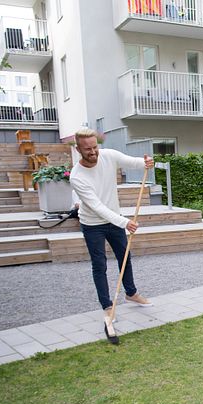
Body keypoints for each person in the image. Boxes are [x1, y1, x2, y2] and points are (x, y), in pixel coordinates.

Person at [69, 128, 155, 328]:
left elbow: (134, 162)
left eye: (94, 147)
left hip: (114, 220)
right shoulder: (77, 176)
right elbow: (97, 207)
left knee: (125, 256)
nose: (93, 152)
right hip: (92, 224)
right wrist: (124, 222)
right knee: (99, 265)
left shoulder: (108, 156)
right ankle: (107, 306)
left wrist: (146, 162)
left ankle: (131, 293)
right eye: (87, 149)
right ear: (78, 149)